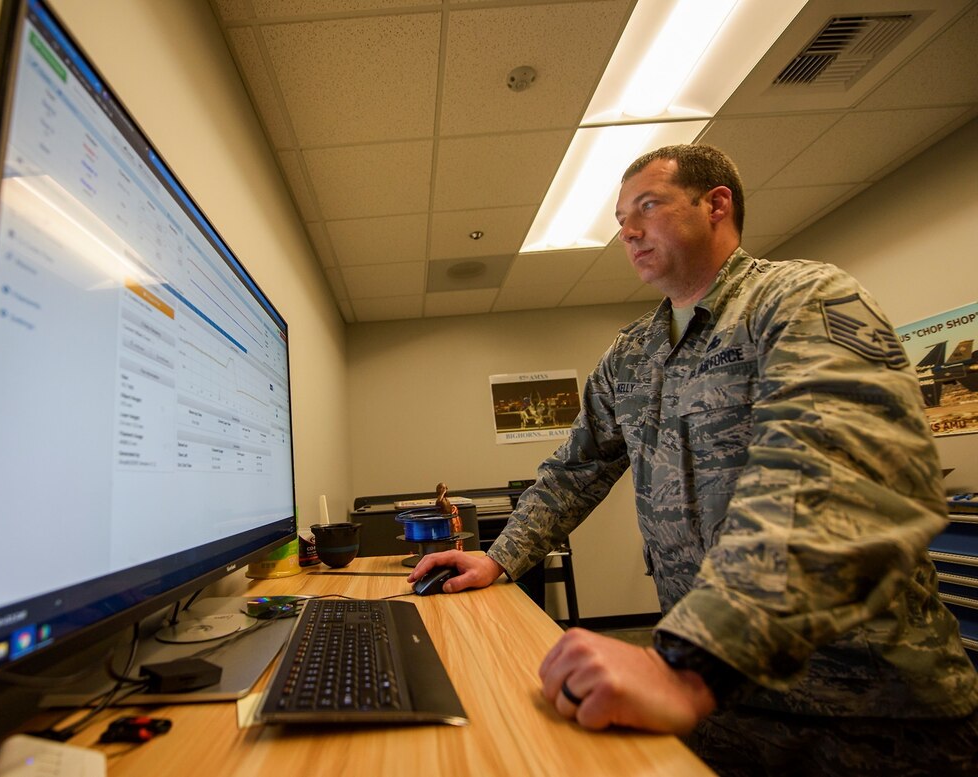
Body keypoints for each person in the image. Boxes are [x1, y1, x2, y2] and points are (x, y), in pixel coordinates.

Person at [409, 144, 978, 774]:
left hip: (863, 708)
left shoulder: (799, 300)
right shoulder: (633, 353)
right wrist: (500, 557)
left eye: (646, 207)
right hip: (723, 705)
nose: (627, 230)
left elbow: (832, 477)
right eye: (621, 217)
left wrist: (691, 663)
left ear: (716, 205)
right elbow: (575, 470)